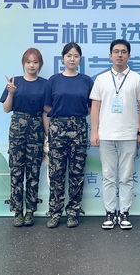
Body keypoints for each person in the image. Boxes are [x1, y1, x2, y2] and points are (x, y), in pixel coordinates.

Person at [90, 39, 140, 230]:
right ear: (110, 55)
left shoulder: (137, 79)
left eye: (123, 52)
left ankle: (124, 213)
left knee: (126, 177)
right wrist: (94, 131)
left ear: (129, 56)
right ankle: (109, 212)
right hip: (106, 135)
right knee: (108, 176)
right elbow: (95, 107)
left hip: (128, 135)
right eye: (116, 51)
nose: (119, 55)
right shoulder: (101, 79)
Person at [43, 42, 94, 229]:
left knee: (76, 172)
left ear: (80, 59)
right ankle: (55, 212)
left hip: (79, 127)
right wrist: (50, 133)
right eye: (69, 55)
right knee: (56, 172)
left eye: (76, 56)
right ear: (63, 58)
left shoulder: (86, 81)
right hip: (57, 128)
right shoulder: (54, 80)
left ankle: (73, 212)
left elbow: (92, 107)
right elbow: (47, 107)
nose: (72, 59)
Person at [0, 48, 48, 227]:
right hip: (17, 128)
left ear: (40, 64)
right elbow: (6, 109)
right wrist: (11, 92)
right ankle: (17, 211)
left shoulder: (45, 84)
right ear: (23, 63)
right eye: (28, 62)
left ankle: (30, 211)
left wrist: (48, 135)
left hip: (36, 127)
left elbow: (46, 112)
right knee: (16, 170)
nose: (31, 65)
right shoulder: (15, 82)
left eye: (35, 62)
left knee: (33, 171)